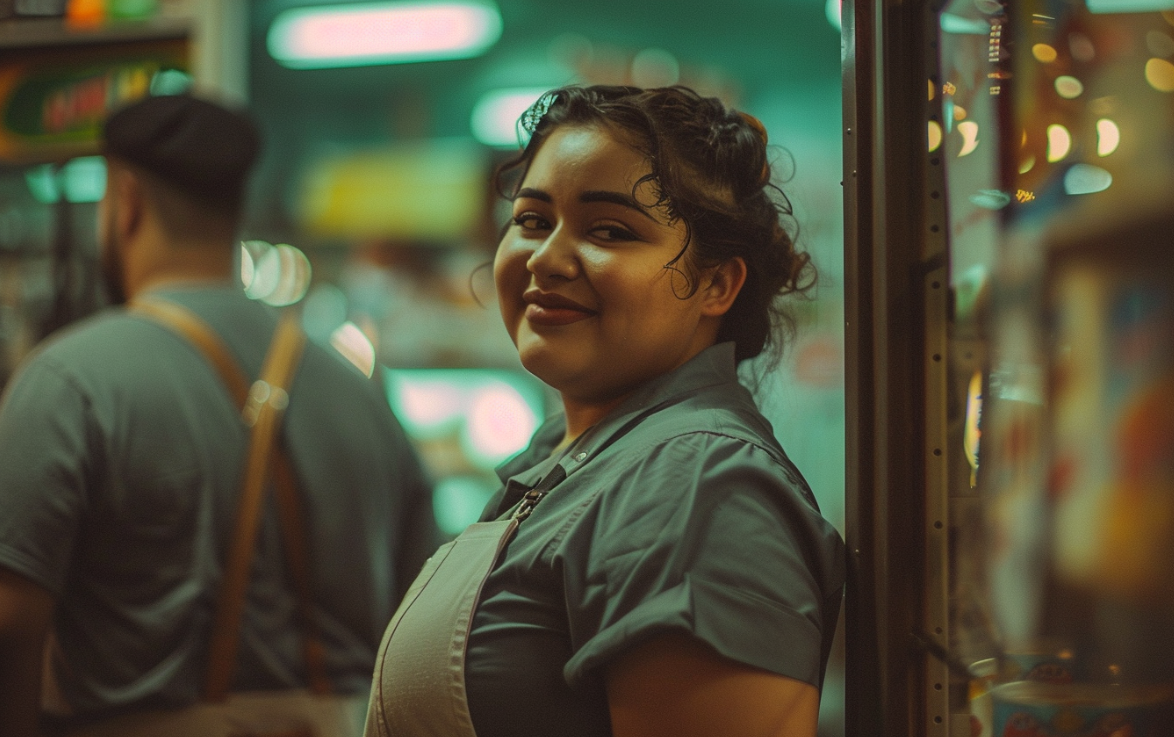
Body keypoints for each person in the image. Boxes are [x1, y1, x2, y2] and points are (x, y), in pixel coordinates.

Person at [364, 85, 846, 737]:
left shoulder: (697, 485)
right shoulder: (568, 455)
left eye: (609, 231)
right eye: (532, 221)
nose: (547, 258)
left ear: (716, 284)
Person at [0, 94, 439, 737]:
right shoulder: (359, 392)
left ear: (125, 203)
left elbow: (10, 624)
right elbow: (424, 615)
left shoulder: (69, 380)